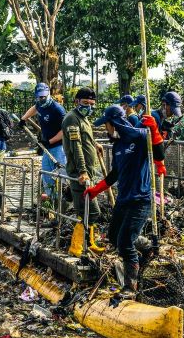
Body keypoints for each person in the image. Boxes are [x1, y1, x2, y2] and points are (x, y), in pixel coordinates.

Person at [84, 105, 153, 292]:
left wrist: (154, 130)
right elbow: (114, 174)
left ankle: (131, 287)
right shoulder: (117, 146)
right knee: (114, 236)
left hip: (140, 199)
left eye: (105, 125)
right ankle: (147, 246)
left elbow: (157, 149)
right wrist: (95, 190)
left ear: (113, 124)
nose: (105, 129)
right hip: (123, 199)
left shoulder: (139, 137)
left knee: (124, 243)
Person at [62, 87, 102, 225]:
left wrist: (95, 144)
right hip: (80, 174)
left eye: (91, 104)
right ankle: (78, 245)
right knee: (90, 212)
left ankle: (89, 242)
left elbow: (84, 139)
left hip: (88, 173)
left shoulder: (83, 118)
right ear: (76, 101)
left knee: (88, 212)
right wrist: (83, 171)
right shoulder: (72, 118)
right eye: (85, 103)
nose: (89, 107)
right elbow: (76, 146)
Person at [22, 82, 66, 199]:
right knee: (46, 173)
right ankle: (52, 199)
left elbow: (65, 131)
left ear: (49, 94)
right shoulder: (40, 104)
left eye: (43, 97)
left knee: (59, 174)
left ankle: (62, 201)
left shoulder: (57, 109)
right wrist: (24, 119)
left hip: (58, 147)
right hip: (47, 147)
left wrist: (50, 141)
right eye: (39, 97)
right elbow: (35, 108)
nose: (41, 99)